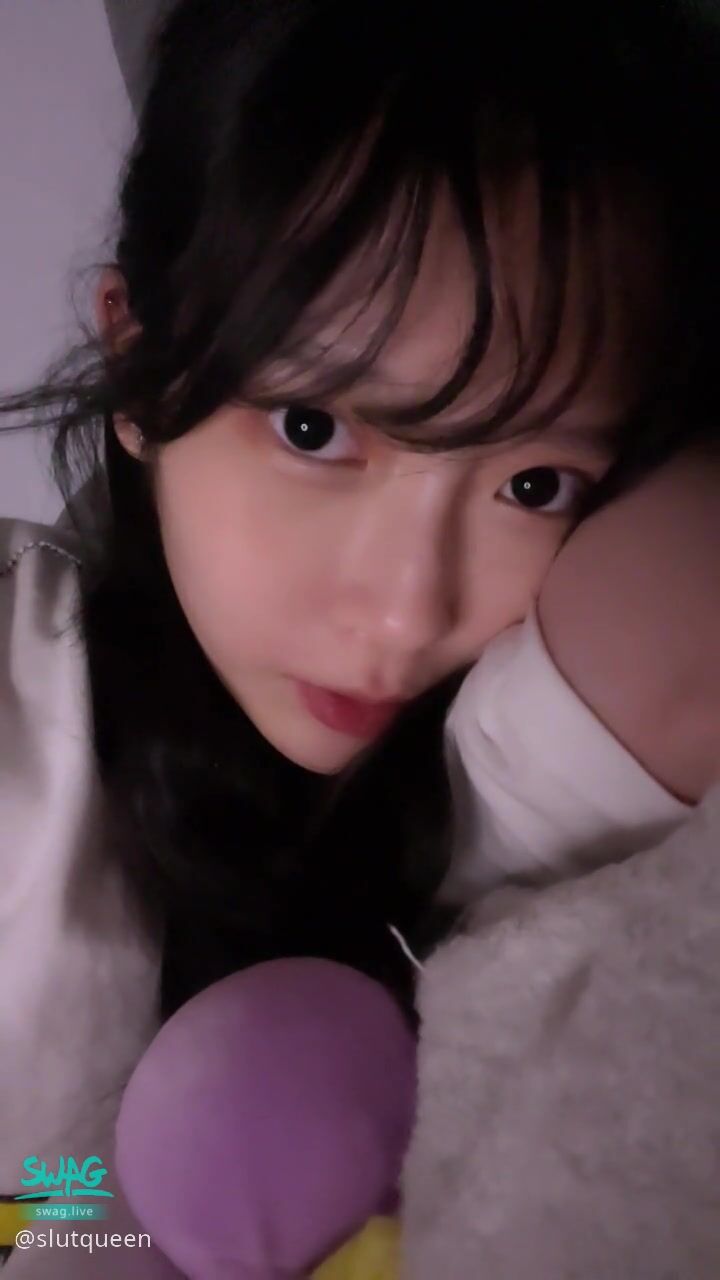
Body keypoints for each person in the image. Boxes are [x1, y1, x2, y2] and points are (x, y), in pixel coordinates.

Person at [0, 0, 717, 1275]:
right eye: (314, 430)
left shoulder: (503, 771)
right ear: (138, 362)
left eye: (535, 483)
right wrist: (76, 1213)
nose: (405, 612)